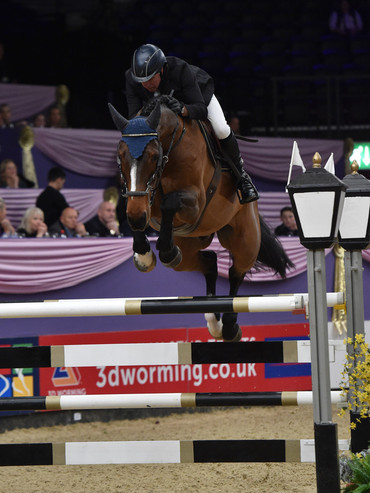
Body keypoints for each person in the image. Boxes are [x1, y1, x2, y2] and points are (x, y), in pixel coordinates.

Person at [125, 44, 258, 204]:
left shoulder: (180, 69)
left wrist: (183, 109)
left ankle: (242, 178)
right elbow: (134, 117)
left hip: (198, 97)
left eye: (150, 79)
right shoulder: (132, 79)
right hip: (165, 113)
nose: (146, 85)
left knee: (221, 129)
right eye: (142, 81)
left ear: (161, 70)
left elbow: (200, 109)